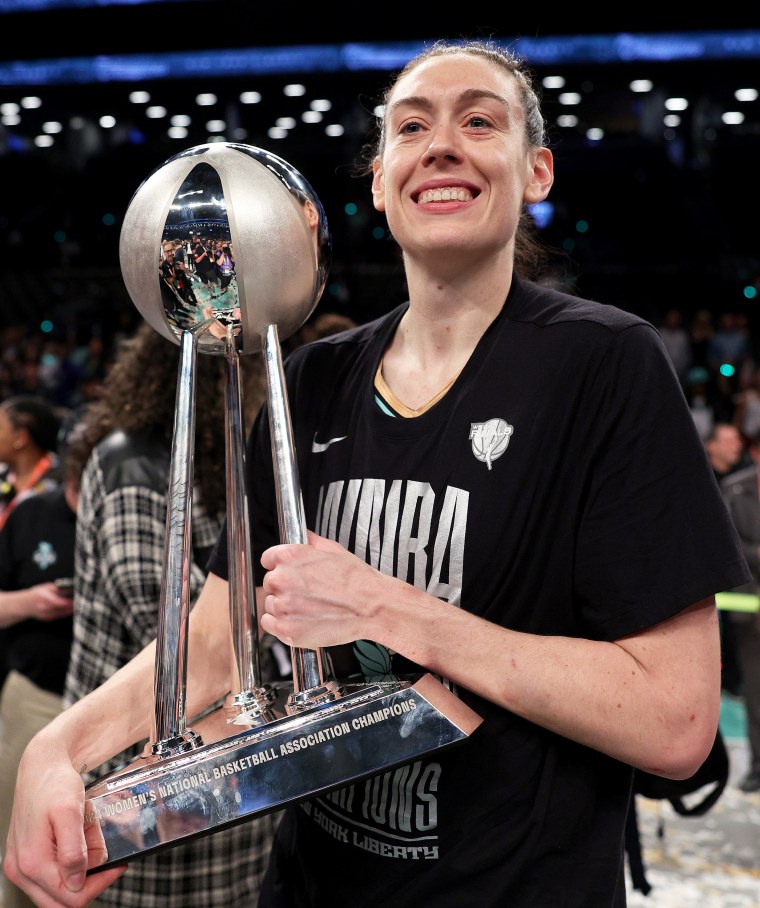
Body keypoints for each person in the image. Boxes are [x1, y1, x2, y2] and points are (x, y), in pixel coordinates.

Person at [3, 39, 750, 908]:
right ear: (378, 181)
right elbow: (214, 641)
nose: (441, 144)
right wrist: (56, 748)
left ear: (537, 171)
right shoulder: (316, 380)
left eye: (480, 120)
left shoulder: (606, 364)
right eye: (410, 127)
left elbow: (678, 723)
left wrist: (391, 610)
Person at [25, 322, 279, 908]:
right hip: (136, 775)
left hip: (220, 773)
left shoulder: (224, 467)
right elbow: (163, 623)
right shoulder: (130, 465)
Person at [719, 429, 760, 793]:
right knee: (756, 691)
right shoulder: (734, 489)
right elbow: (727, 542)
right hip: (749, 609)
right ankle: (758, 766)